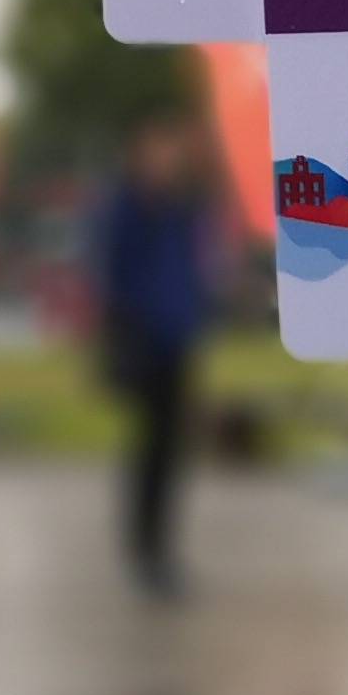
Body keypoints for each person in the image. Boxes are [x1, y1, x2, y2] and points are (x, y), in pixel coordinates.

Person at [91, 112, 213, 601]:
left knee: (170, 449)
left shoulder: (178, 206)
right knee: (151, 448)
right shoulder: (128, 206)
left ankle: (158, 547)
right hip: (145, 341)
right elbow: (115, 275)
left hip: (176, 340)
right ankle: (147, 550)